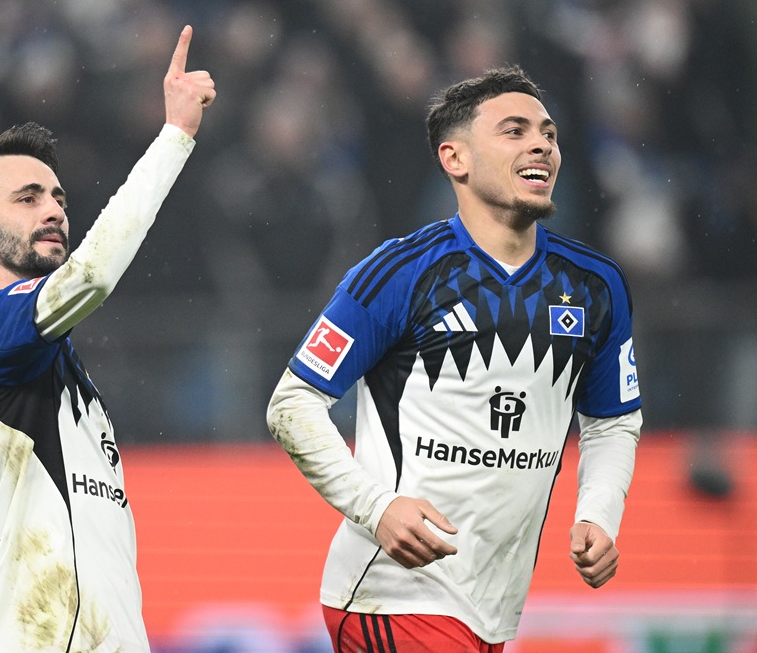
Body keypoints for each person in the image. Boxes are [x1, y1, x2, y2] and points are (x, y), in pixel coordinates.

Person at [266, 65, 641, 652]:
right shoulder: (398, 272)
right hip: (394, 596)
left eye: (548, 132)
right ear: (455, 160)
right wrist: (378, 509)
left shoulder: (596, 285)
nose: (541, 143)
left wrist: (599, 513)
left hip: (492, 611)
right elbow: (292, 402)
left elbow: (613, 419)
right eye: (514, 131)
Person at [0, 26, 214, 651]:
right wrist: (175, 137)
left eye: (58, 197)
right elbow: (90, 276)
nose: (54, 210)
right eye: (28, 197)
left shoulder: (49, 354)